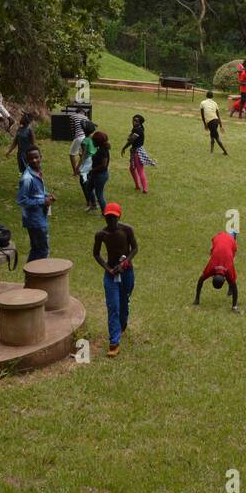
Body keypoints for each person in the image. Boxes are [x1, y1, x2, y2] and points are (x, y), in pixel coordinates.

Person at [94, 202, 138, 356]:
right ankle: (114, 342)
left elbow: (135, 249)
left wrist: (125, 263)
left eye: (114, 217)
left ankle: (123, 323)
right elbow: (96, 254)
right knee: (113, 305)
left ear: (119, 217)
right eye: (108, 218)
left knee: (124, 301)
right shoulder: (101, 234)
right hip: (111, 274)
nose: (111, 221)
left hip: (126, 272)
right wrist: (108, 268)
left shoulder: (127, 230)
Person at [16, 147, 54, 263]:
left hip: (39, 216)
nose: (34, 160)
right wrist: (43, 201)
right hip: (34, 220)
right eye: (30, 158)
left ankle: (30, 277)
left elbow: (36, 192)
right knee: (43, 250)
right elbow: (22, 200)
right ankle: (39, 276)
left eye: (36, 157)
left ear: (41, 157)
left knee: (36, 249)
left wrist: (47, 195)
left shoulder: (37, 171)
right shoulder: (27, 178)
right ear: (27, 160)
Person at [194, 230, 240, 313]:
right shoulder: (215, 267)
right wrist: (234, 307)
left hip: (229, 241)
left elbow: (200, 280)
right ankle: (231, 234)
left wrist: (197, 299)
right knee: (232, 279)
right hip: (218, 239)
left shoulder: (216, 268)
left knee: (230, 239)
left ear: (212, 276)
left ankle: (232, 234)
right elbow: (235, 286)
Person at [121, 114, 156, 191]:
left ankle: (145, 189)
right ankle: (137, 185)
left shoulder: (138, 130)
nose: (134, 122)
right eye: (133, 120)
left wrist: (124, 147)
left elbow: (131, 140)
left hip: (137, 152)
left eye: (136, 121)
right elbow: (131, 138)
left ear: (140, 122)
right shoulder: (137, 128)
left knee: (140, 170)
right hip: (135, 151)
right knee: (132, 169)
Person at [199, 91, 228, 155]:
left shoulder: (202, 103)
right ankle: (211, 151)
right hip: (216, 121)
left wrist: (205, 124)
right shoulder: (215, 103)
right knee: (212, 135)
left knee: (216, 137)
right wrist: (220, 125)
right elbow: (218, 115)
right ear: (212, 97)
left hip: (210, 122)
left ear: (206, 96)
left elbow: (202, 115)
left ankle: (225, 152)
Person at [89, 131, 112, 211]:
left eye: (93, 141)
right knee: (89, 187)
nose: (92, 142)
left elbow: (103, 165)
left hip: (100, 176)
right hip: (96, 174)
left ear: (97, 142)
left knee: (99, 195)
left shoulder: (103, 151)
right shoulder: (101, 148)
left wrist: (92, 170)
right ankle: (93, 205)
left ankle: (105, 212)